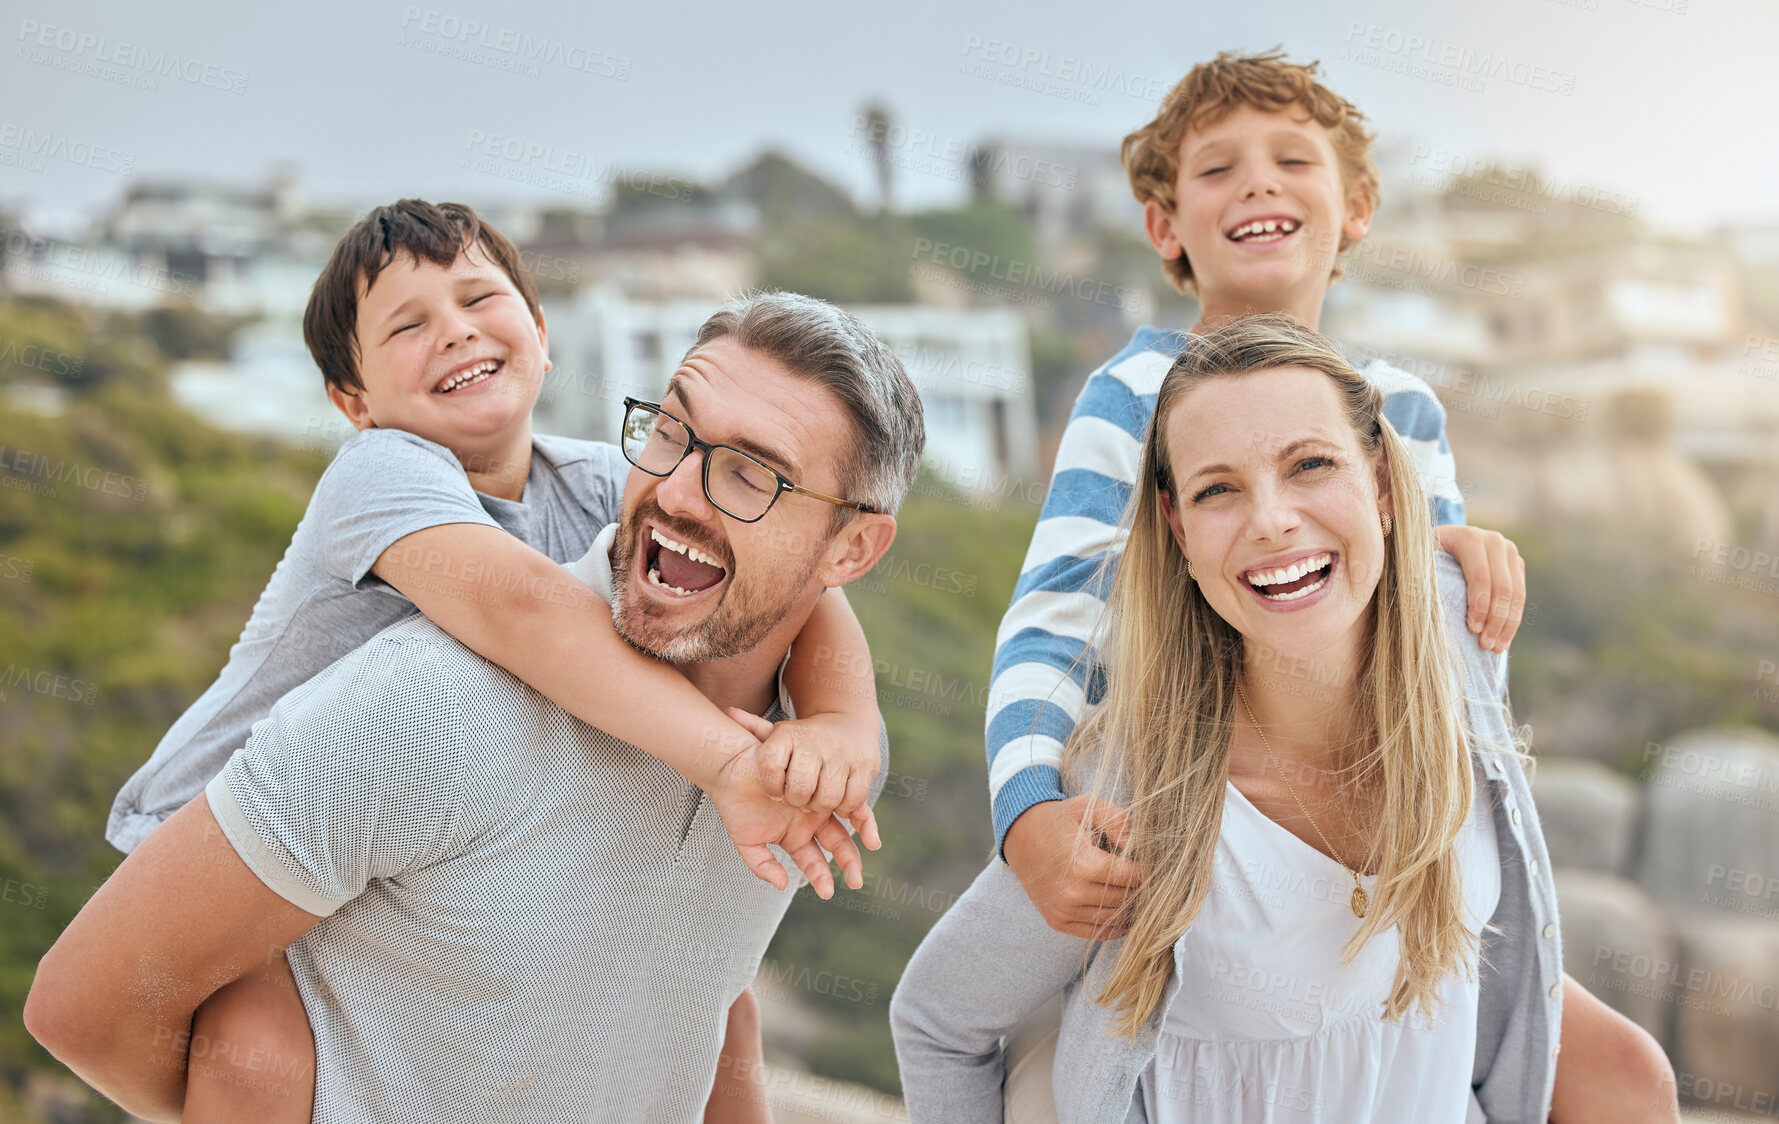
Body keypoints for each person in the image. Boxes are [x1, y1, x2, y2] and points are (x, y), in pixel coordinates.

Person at [26, 291, 924, 1124]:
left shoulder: (815, 760)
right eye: (671, 433)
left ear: (852, 548)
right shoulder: (425, 708)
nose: (679, 491)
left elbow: (702, 997)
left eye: (750, 476)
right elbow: (88, 1008)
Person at [985, 51, 1674, 1118]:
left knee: (1626, 1074)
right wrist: (1028, 808)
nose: (1256, 182)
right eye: (1217, 170)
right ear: (1166, 227)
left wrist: (1470, 559)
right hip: (1207, 831)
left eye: (1290, 158)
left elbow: (1427, 643)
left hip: (1388, 836)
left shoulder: (1404, 408)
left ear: (1354, 207)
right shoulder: (1132, 390)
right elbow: (1055, 616)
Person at [894, 314, 1555, 1121]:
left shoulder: (1465, 632)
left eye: (1310, 465)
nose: (1270, 520)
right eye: (1217, 490)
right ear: (1177, 530)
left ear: (1382, 483)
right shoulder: (1135, 789)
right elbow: (936, 1020)